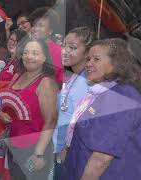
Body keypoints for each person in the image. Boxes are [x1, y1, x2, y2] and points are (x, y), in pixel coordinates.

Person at [61, 38, 141, 180]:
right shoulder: (101, 91)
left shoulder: (123, 96)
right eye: (88, 59)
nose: (89, 64)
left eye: (96, 59)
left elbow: (101, 158)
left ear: (116, 63)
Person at [0, 38, 58, 180]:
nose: (29, 57)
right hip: (14, 145)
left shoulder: (46, 82)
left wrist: (39, 153)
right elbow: (3, 100)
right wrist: (1, 112)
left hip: (34, 149)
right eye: (26, 52)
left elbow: (51, 121)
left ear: (44, 58)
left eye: (35, 53)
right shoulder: (17, 76)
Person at [52, 26, 93, 179]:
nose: (65, 51)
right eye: (64, 46)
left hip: (70, 155)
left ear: (87, 52)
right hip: (58, 150)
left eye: (73, 47)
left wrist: (66, 150)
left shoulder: (89, 82)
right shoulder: (71, 76)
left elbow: (81, 123)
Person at [29, 7, 64, 85]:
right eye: (34, 25)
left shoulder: (58, 51)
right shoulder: (29, 47)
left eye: (41, 25)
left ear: (50, 31)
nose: (35, 29)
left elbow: (58, 79)